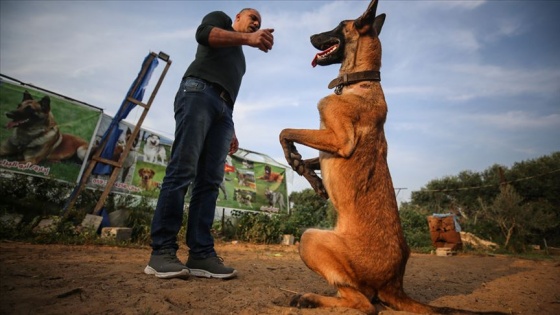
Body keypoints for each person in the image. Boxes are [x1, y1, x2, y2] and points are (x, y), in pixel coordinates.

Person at [144, 8, 274, 279]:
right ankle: (162, 253)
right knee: (183, 169)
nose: (256, 23)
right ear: (237, 18)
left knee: (210, 182)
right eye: (252, 17)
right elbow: (203, 35)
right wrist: (249, 39)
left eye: (259, 22)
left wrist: (231, 127)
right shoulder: (220, 20)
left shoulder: (241, 60)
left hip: (224, 110)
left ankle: (200, 255)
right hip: (198, 92)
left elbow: (227, 92)